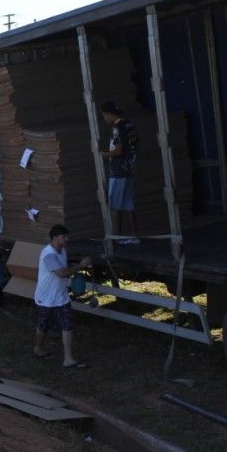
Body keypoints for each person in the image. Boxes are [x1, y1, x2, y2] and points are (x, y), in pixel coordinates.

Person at [33, 224, 91, 368]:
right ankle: (38, 347)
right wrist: (81, 265)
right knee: (43, 326)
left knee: (67, 325)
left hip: (61, 296)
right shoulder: (48, 254)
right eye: (64, 236)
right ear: (54, 238)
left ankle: (68, 358)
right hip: (46, 298)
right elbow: (62, 273)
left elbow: (64, 266)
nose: (67, 239)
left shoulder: (62, 250)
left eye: (67, 236)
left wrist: (75, 267)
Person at [99, 101, 140, 244]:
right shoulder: (130, 124)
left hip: (118, 170)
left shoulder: (117, 128)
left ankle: (115, 239)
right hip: (130, 168)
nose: (104, 119)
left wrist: (102, 154)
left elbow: (118, 150)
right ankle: (133, 236)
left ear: (109, 114)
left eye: (104, 116)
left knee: (114, 206)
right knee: (128, 204)